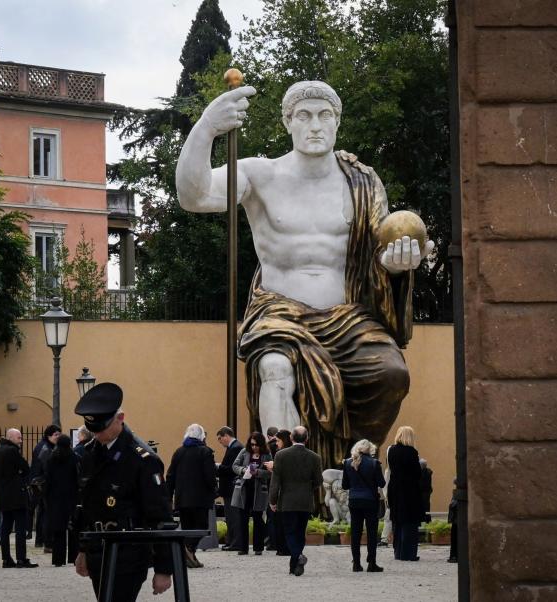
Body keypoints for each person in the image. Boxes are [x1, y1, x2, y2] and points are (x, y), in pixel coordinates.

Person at [176, 81, 433, 468]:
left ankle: (352, 468)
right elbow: (193, 196)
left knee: (392, 374)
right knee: (275, 369)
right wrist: (207, 127)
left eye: (324, 115)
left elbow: (378, 256)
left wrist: (397, 265)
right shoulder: (261, 175)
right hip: (279, 315)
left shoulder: (363, 182)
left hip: (347, 319)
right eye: (304, 115)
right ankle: (289, 479)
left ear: (337, 123)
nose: (315, 125)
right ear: (288, 122)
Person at [74, 383, 173, 601]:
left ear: (120, 418)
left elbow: (160, 514)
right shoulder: (91, 454)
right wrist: (82, 550)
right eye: (94, 430)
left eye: (102, 428)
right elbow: (87, 507)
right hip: (99, 551)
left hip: (129, 552)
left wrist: (164, 568)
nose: (97, 434)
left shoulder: (142, 459)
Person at [269, 426, 323, 576]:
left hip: (287, 500)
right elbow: (319, 481)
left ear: (291, 438)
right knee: (300, 533)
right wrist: (307, 488)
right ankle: (295, 566)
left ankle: (298, 557)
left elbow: (275, 482)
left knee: (290, 532)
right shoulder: (315, 457)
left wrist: (273, 500)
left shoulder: (280, 455)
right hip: (305, 501)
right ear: (307, 439)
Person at [166, 423, 217, 568]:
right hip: (200, 499)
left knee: (188, 528)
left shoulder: (179, 452)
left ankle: (190, 557)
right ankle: (187, 548)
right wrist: (214, 489)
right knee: (201, 527)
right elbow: (210, 475)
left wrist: (168, 496)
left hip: (182, 499)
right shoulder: (205, 452)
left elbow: (170, 476)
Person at [0, 428, 37, 569]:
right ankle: (21, 558)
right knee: (20, 528)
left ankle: (6, 558)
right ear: (10, 437)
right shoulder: (12, 451)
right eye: (19, 438)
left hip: (3, 495)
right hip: (16, 494)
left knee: (5, 527)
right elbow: (25, 468)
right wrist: (17, 472)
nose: (21, 441)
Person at [342, 439, 386, 573]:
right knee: (372, 533)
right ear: (370, 450)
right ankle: (371, 563)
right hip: (370, 501)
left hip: (354, 501)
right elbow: (382, 483)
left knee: (356, 532)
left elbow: (345, 485)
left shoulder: (348, 463)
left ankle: (356, 563)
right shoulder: (374, 463)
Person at [231, 431, 273, 555]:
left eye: (256, 445)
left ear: (261, 444)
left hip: (259, 491)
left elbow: (270, 473)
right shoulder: (244, 452)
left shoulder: (267, 455)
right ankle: (243, 548)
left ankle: (258, 547)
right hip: (244, 489)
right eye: (252, 444)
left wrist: (258, 473)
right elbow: (234, 466)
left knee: (258, 519)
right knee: (242, 519)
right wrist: (244, 470)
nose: (254, 447)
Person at [387, 426, 423, 561]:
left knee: (398, 521)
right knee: (410, 522)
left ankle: (398, 552)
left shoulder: (391, 450)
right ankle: (408, 554)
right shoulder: (412, 452)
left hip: (395, 488)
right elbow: (417, 473)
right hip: (409, 490)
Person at [45, 434, 79, 567]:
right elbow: (77, 477)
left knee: (58, 529)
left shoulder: (52, 458)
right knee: (72, 527)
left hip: (55, 497)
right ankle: (73, 557)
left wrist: (47, 496)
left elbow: (48, 479)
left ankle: (58, 559)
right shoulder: (74, 458)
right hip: (71, 496)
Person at [31, 424, 61, 550]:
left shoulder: (44, 446)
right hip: (43, 483)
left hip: (39, 482)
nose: (58, 437)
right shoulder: (46, 448)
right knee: (46, 513)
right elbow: (46, 467)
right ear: (49, 435)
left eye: (59, 434)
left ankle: (40, 540)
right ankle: (46, 541)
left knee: (42, 512)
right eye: (56, 435)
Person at [215, 426, 244, 551]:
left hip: (231, 487)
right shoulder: (233, 447)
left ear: (226, 435)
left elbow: (231, 469)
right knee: (230, 517)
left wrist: (217, 467)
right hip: (230, 488)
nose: (220, 442)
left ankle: (235, 543)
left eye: (220, 439)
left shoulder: (236, 447)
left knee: (233, 517)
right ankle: (231, 541)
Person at [447, 478, 459, 563]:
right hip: (456, 519)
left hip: (457, 519)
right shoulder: (456, 493)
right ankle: (454, 556)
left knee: (455, 538)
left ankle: (454, 556)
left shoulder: (456, 493)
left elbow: (453, 505)